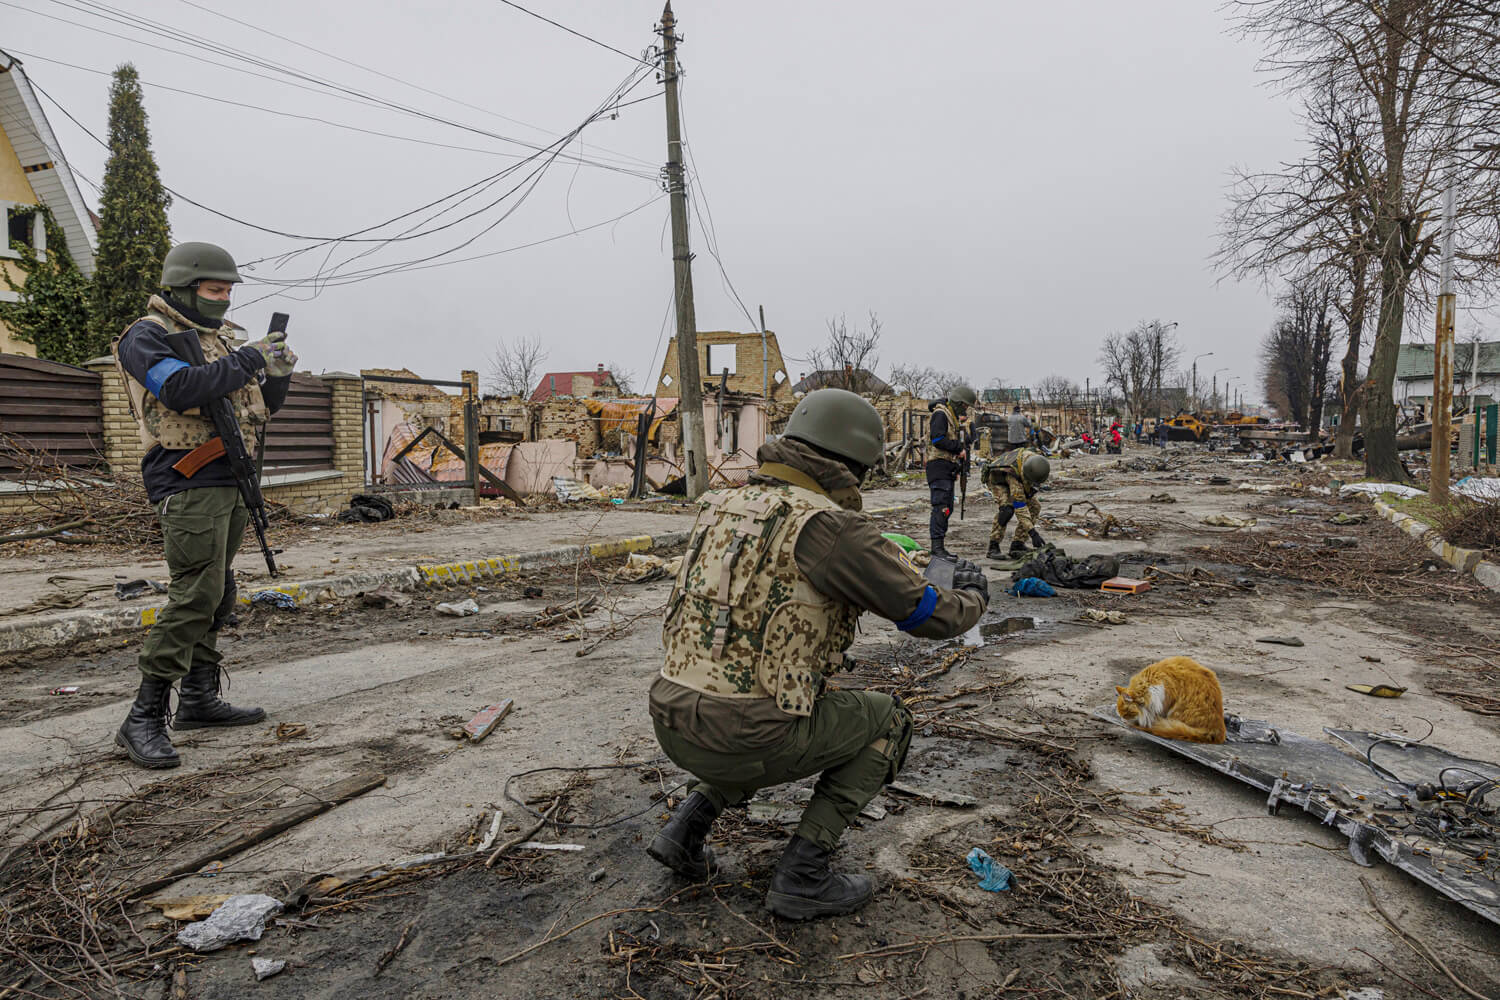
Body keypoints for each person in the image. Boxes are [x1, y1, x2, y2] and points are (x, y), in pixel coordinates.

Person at [648, 389, 990, 920]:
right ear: (854, 462)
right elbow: (931, 617)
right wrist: (974, 598)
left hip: (671, 721)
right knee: (889, 721)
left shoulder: (724, 503)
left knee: (747, 698)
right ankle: (803, 875)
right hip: (741, 736)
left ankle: (685, 826)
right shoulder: (830, 526)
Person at [111, 242, 297, 769]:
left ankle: (198, 699)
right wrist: (250, 357)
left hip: (230, 475)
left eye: (229, 290)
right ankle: (142, 718)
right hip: (185, 478)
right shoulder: (146, 336)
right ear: (183, 286)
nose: (225, 298)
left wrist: (275, 370)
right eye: (216, 289)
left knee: (219, 592)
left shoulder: (219, 341)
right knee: (196, 592)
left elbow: (260, 406)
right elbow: (179, 388)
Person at [924, 384, 976, 558]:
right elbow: (938, 439)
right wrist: (958, 449)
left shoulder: (951, 415)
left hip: (946, 467)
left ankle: (940, 547)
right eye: (965, 406)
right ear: (959, 402)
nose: (966, 410)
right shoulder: (941, 414)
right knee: (941, 507)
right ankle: (936, 549)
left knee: (947, 508)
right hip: (938, 466)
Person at [986, 447, 1051, 560]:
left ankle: (1018, 544)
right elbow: (1020, 507)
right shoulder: (1014, 474)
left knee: (1035, 507)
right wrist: (1033, 532)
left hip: (1018, 477)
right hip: (998, 480)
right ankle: (993, 546)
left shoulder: (1036, 462)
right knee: (1007, 510)